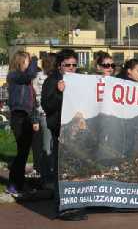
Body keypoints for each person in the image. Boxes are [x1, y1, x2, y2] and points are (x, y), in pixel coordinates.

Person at [41, 49, 87, 221]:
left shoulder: (80, 81)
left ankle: (75, 204)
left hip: (77, 133)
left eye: (74, 65)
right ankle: (63, 208)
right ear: (59, 66)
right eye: (67, 65)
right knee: (61, 170)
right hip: (60, 132)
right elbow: (48, 106)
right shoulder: (51, 81)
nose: (71, 68)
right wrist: (59, 92)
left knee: (74, 169)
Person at [6, 51, 39, 197]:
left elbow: (33, 101)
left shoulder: (26, 81)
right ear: (20, 61)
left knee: (24, 152)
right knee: (21, 152)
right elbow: (29, 75)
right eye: (26, 61)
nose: (29, 64)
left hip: (27, 117)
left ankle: (19, 183)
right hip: (18, 116)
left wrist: (35, 119)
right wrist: (34, 60)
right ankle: (14, 184)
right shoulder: (14, 76)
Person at [32, 53, 56, 189]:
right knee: (47, 147)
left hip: (46, 115)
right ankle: (47, 178)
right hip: (46, 115)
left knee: (48, 146)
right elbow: (36, 100)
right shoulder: (41, 79)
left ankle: (47, 174)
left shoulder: (38, 78)